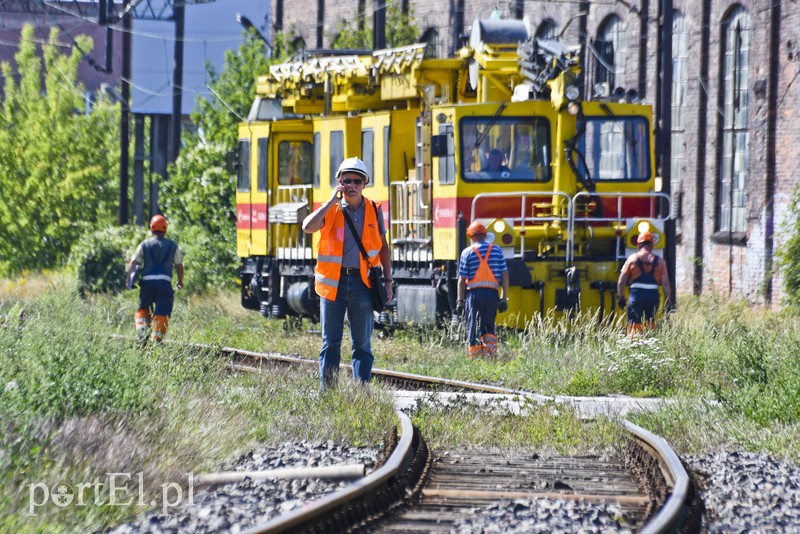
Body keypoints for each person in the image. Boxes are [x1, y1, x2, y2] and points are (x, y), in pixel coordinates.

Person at [302, 157, 393, 390]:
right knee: (330, 343)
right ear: (339, 182)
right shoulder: (331, 209)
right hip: (333, 284)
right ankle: (328, 394)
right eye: (346, 180)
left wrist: (388, 280)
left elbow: (383, 247)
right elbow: (307, 227)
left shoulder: (374, 209)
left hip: (363, 284)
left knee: (362, 344)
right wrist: (330, 201)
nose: (351, 185)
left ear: (364, 184)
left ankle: (361, 394)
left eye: (356, 181)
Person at [125, 214, 184, 345]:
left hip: (147, 283)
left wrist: (129, 279)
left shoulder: (144, 244)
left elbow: (134, 262)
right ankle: (156, 341)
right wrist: (180, 281)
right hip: (164, 284)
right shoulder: (172, 246)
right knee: (163, 312)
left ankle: (142, 333)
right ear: (165, 228)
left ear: (151, 227)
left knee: (143, 308)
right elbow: (179, 266)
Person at [456, 222, 510, 358]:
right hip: (492, 294)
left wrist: (460, 301)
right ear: (485, 235)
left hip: (474, 294)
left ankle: (474, 358)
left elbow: (461, 280)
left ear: (471, 236)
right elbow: (505, 275)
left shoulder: (467, 252)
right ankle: (490, 355)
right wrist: (504, 298)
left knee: (473, 325)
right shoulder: (497, 250)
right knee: (489, 325)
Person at [616, 231, 673, 337]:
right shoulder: (659, 261)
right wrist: (668, 303)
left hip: (636, 296)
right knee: (650, 324)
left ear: (638, 244)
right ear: (652, 245)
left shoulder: (632, 259)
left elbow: (621, 282)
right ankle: (648, 342)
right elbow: (666, 284)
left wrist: (621, 298)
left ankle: (634, 342)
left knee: (634, 325)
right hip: (653, 297)